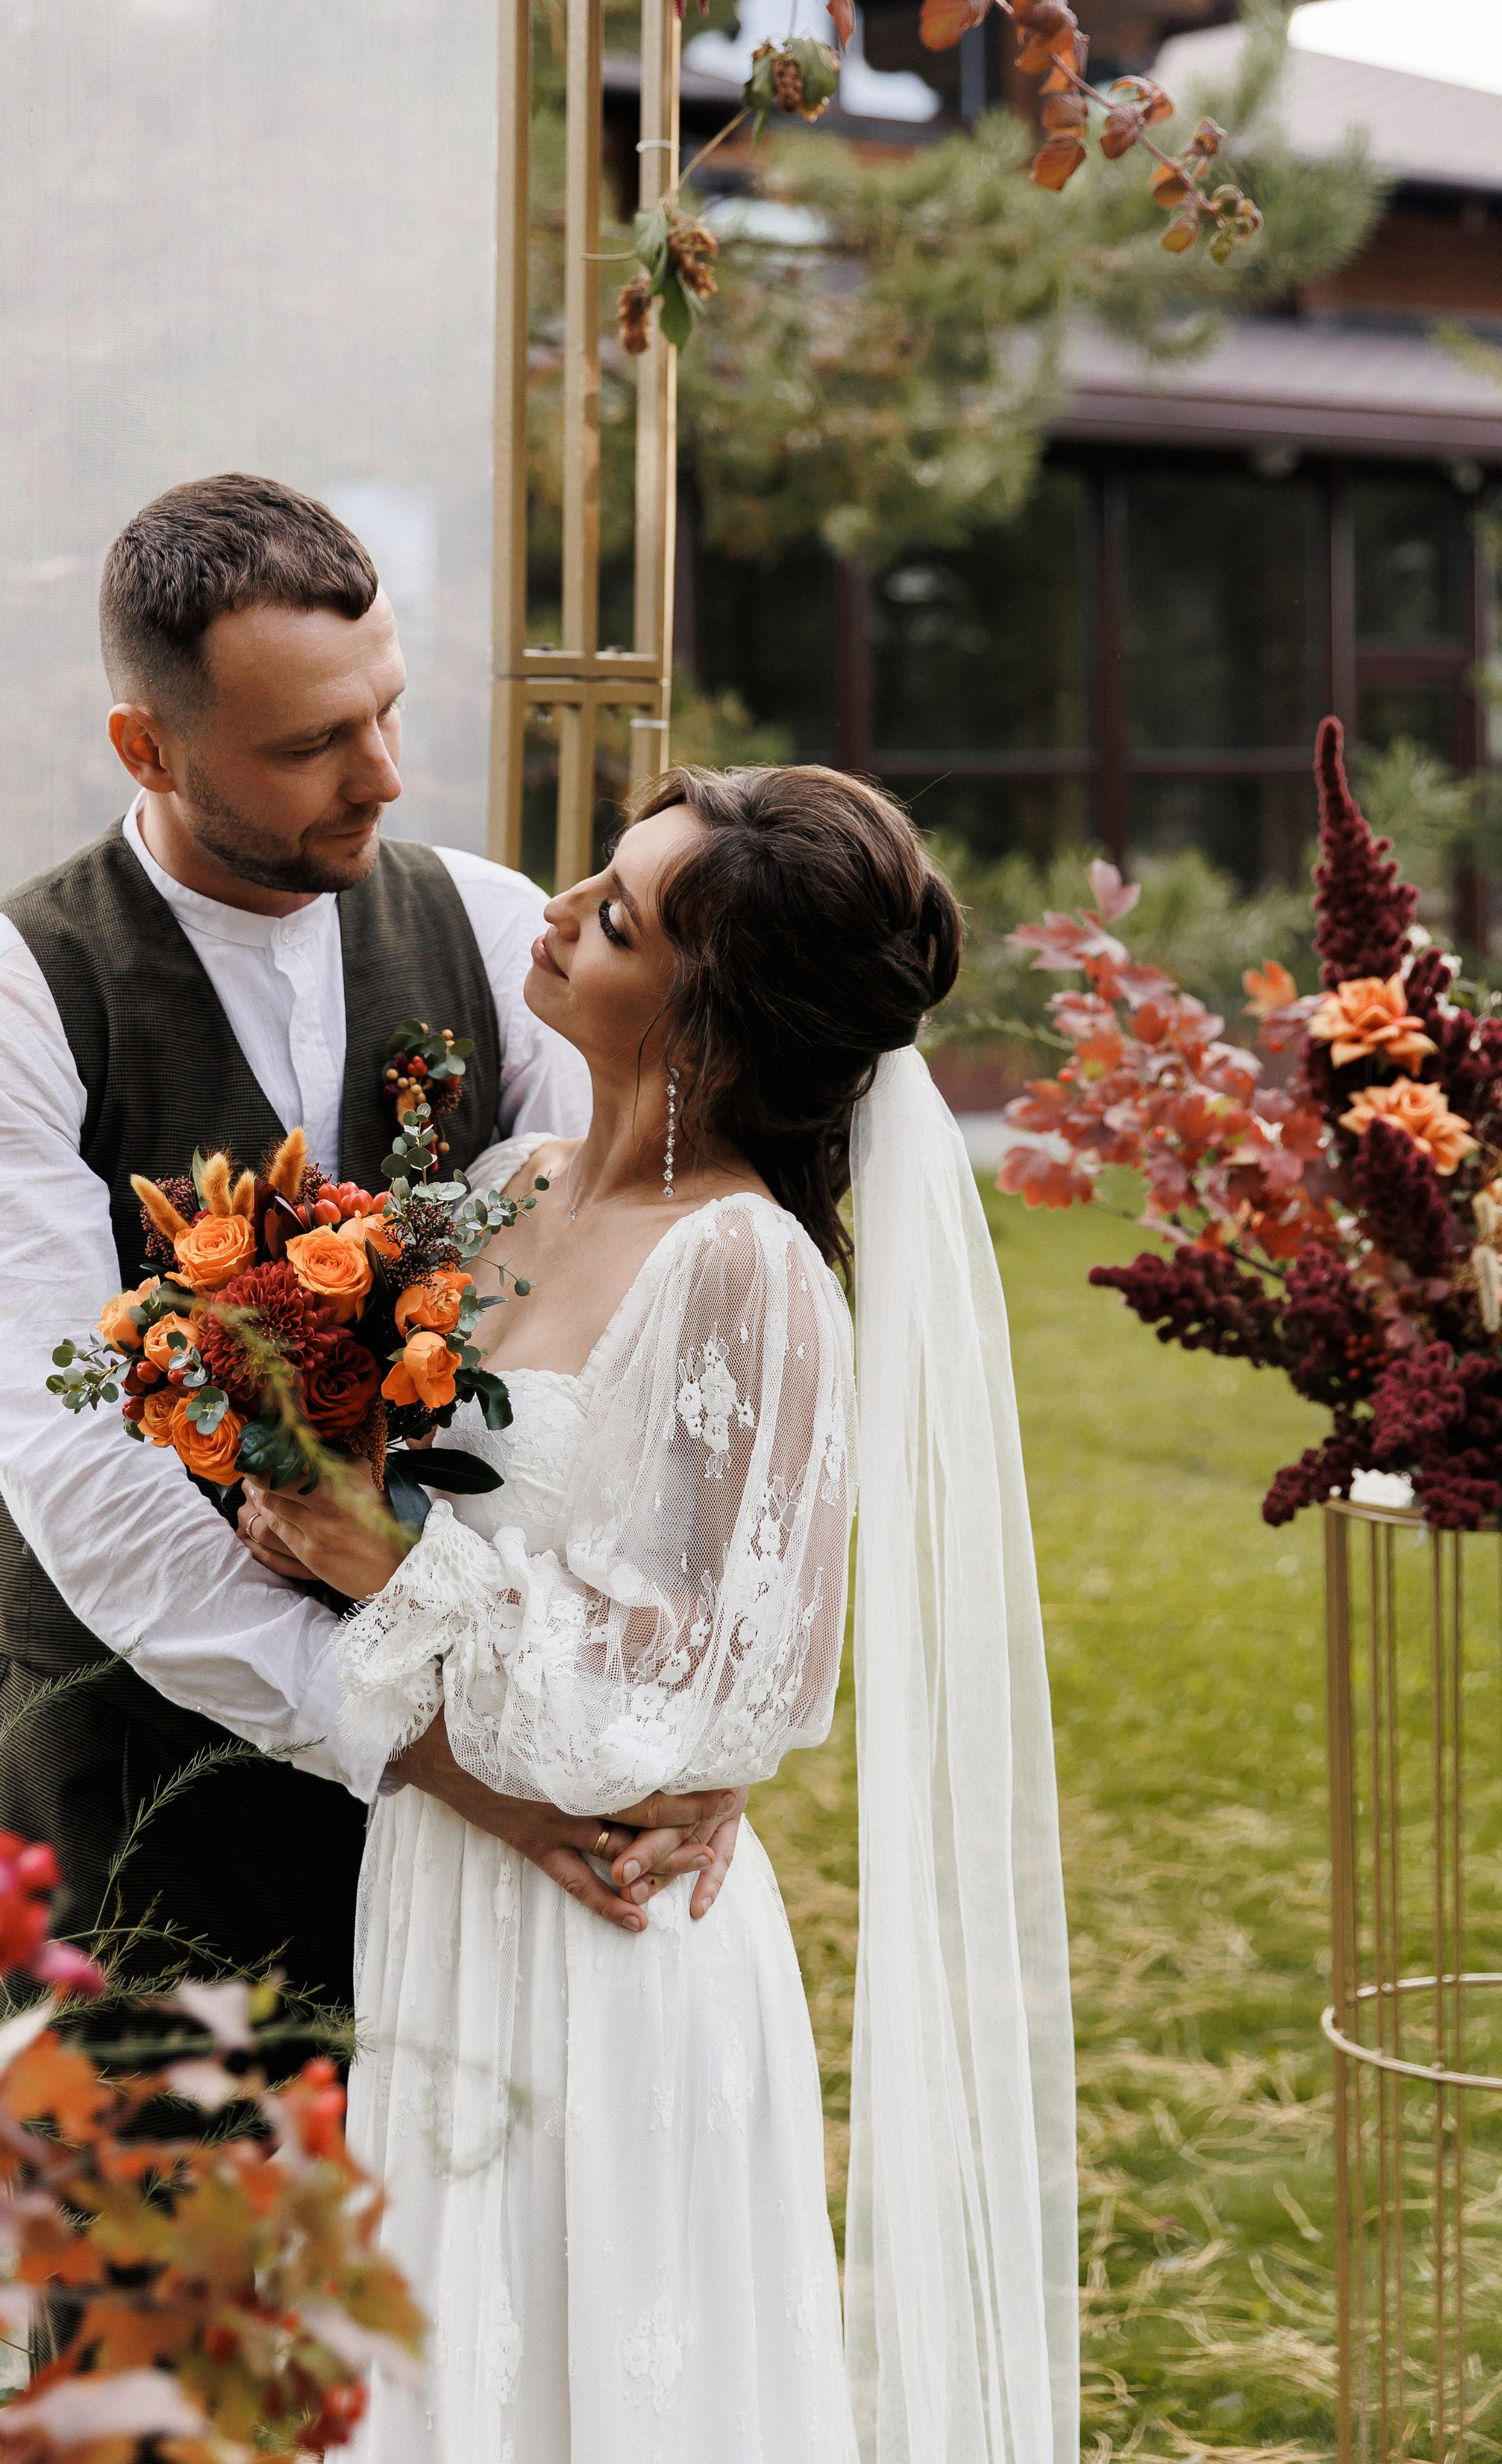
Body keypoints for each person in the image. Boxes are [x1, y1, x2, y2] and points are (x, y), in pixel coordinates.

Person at [237, 765, 1079, 2464]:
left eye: (612, 917)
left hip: (605, 1940)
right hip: (443, 1895)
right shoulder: (510, 1185)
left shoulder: (742, 1271)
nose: (552, 915)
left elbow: (692, 1702)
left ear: (700, 1029)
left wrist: (386, 1567)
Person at [0, 473, 743, 2024]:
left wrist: (657, 1736)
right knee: (152, 2258)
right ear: (146, 746)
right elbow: (90, 1490)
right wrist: (448, 1758)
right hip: (135, 1804)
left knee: (434, 2259)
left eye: (387, 710)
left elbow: (636, 1347)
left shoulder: (490, 931)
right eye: (307, 747)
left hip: (472, 1803)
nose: (383, 775)